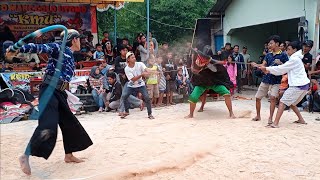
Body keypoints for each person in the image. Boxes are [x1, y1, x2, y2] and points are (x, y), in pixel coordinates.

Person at [5, 29, 93, 175]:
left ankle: (69, 155)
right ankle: (25, 155)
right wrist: (17, 48)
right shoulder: (59, 47)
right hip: (50, 90)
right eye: (79, 39)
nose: (81, 41)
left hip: (60, 92)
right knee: (48, 124)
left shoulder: (70, 55)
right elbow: (39, 48)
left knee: (69, 122)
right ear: (74, 39)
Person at [260, 41, 309, 128]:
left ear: (294, 50)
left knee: (282, 102)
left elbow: (282, 69)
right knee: (292, 103)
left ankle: (275, 123)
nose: (287, 51)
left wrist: (267, 68)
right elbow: (283, 68)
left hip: (298, 85)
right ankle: (301, 119)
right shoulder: (296, 58)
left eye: (289, 49)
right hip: (303, 85)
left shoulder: (294, 59)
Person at [185, 46, 235, 119]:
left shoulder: (213, 62)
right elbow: (194, 70)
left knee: (227, 94)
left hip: (214, 82)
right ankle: (191, 114)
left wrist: (210, 64)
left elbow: (215, 70)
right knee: (193, 97)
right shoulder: (197, 61)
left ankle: (231, 113)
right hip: (202, 83)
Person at [251, 35, 289, 125]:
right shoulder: (268, 54)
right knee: (257, 98)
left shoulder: (283, 55)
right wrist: (257, 65)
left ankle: (270, 118)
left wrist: (281, 63)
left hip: (276, 81)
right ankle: (258, 116)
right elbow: (263, 65)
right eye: (269, 44)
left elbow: (287, 67)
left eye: (271, 43)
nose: (269, 45)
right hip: (266, 79)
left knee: (272, 98)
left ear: (277, 44)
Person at [121, 52, 154, 119]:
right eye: (132, 58)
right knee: (124, 96)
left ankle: (150, 114)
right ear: (128, 60)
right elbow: (133, 79)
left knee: (147, 97)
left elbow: (146, 69)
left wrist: (151, 71)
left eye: (134, 57)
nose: (134, 58)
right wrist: (142, 74)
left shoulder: (140, 64)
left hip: (141, 84)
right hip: (131, 85)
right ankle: (126, 111)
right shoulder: (127, 68)